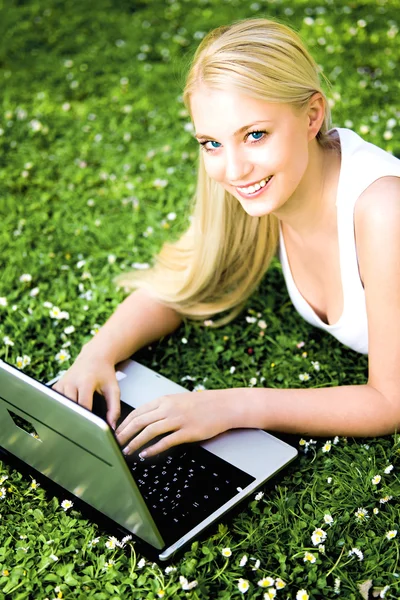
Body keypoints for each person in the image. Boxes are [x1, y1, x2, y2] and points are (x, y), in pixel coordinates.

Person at [53, 18, 400, 458]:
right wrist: (97, 353)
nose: (233, 170)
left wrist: (232, 405)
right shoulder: (268, 186)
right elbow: (187, 282)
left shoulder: (385, 210)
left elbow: (390, 402)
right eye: (211, 143)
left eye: (255, 135)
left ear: (312, 115)